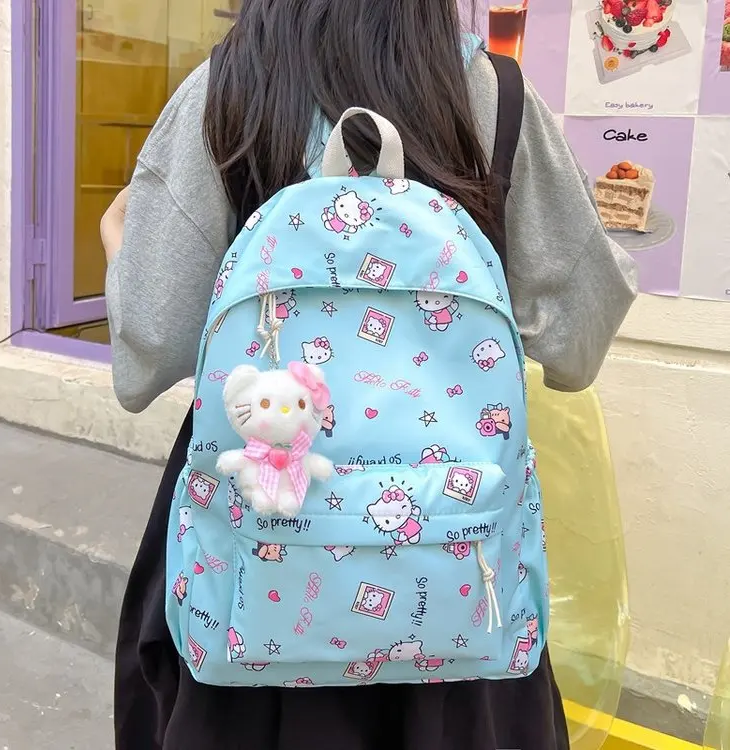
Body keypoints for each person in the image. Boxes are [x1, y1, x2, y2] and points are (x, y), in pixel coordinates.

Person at [102, 2, 637, 749]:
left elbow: (147, 351)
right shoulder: (493, 96)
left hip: (256, 579)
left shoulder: (223, 92)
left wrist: (118, 238)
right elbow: (580, 341)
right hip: (454, 592)